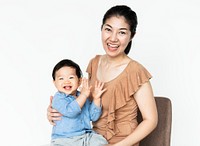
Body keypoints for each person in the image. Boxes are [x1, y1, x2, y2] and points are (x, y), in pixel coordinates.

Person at [47, 5, 158, 146]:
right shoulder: (94, 63)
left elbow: (151, 120)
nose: (113, 38)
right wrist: (54, 112)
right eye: (108, 29)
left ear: (132, 35)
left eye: (122, 32)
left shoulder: (136, 71)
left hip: (121, 142)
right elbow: (83, 103)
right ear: (101, 29)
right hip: (90, 139)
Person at [50, 59, 108, 146]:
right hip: (64, 139)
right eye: (61, 78)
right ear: (54, 83)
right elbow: (71, 111)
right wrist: (84, 95)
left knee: (100, 141)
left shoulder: (82, 96)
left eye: (71, 77)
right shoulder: (58, 98)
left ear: (79, 81)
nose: (66, 81)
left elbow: (93, 116)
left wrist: (96, 99)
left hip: (84, 136)